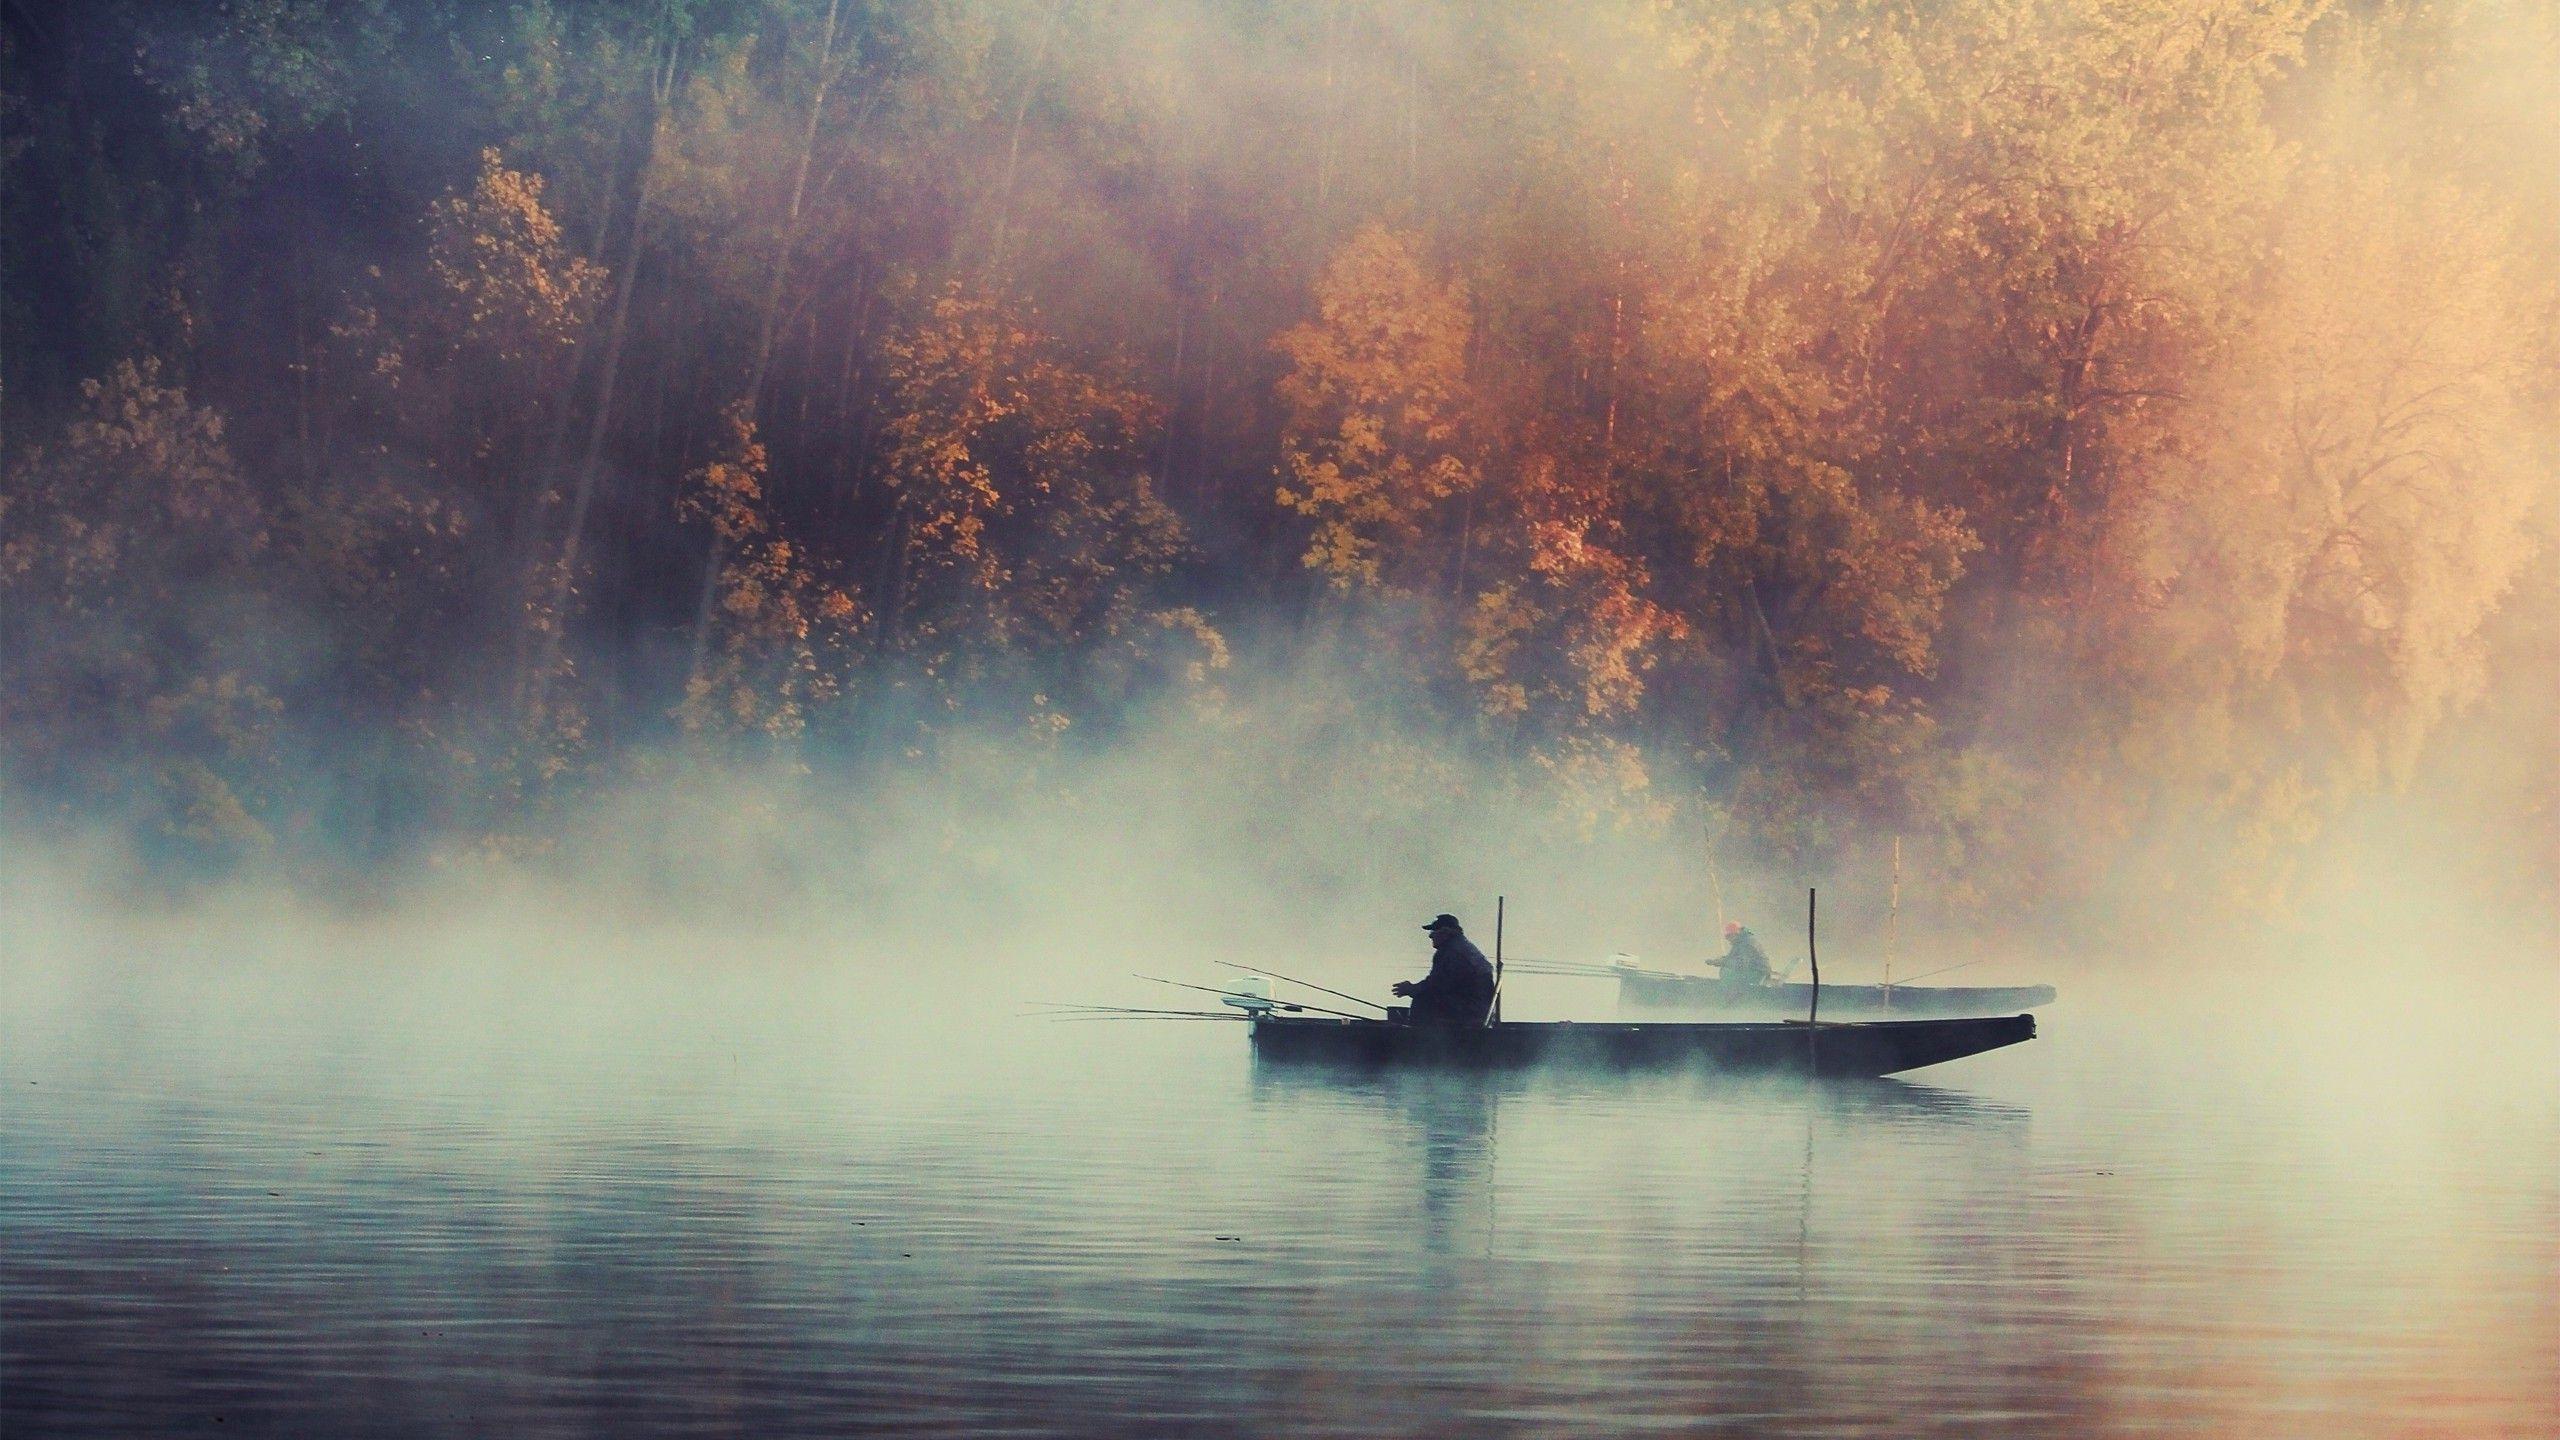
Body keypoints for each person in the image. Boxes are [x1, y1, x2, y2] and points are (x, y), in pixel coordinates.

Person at [1394, 913, 1497, 1027]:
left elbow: (1436, 984)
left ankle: (1419, 1039)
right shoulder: (1461, 947)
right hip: (1478, 1010)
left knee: (1422, 1000)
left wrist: (1411, 989)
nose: (1430, 936)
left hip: (1469, 1012)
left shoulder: (1451, 952)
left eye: (1434, 932)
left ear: (1445, 932)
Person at [1716, 920, 1773, 987]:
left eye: (1729, 936)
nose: (1728, 939)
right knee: (1725, 971)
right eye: (1726, 937)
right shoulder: (1740, 942)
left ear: (1735, 934)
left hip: (1759, 974)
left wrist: (1723, 962)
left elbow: (1741, 963)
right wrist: (1720, 960)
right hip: (1754, 971)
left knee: (1727, 973)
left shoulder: (1747, 943)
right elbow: (1732, 957)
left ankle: (1731, 995)